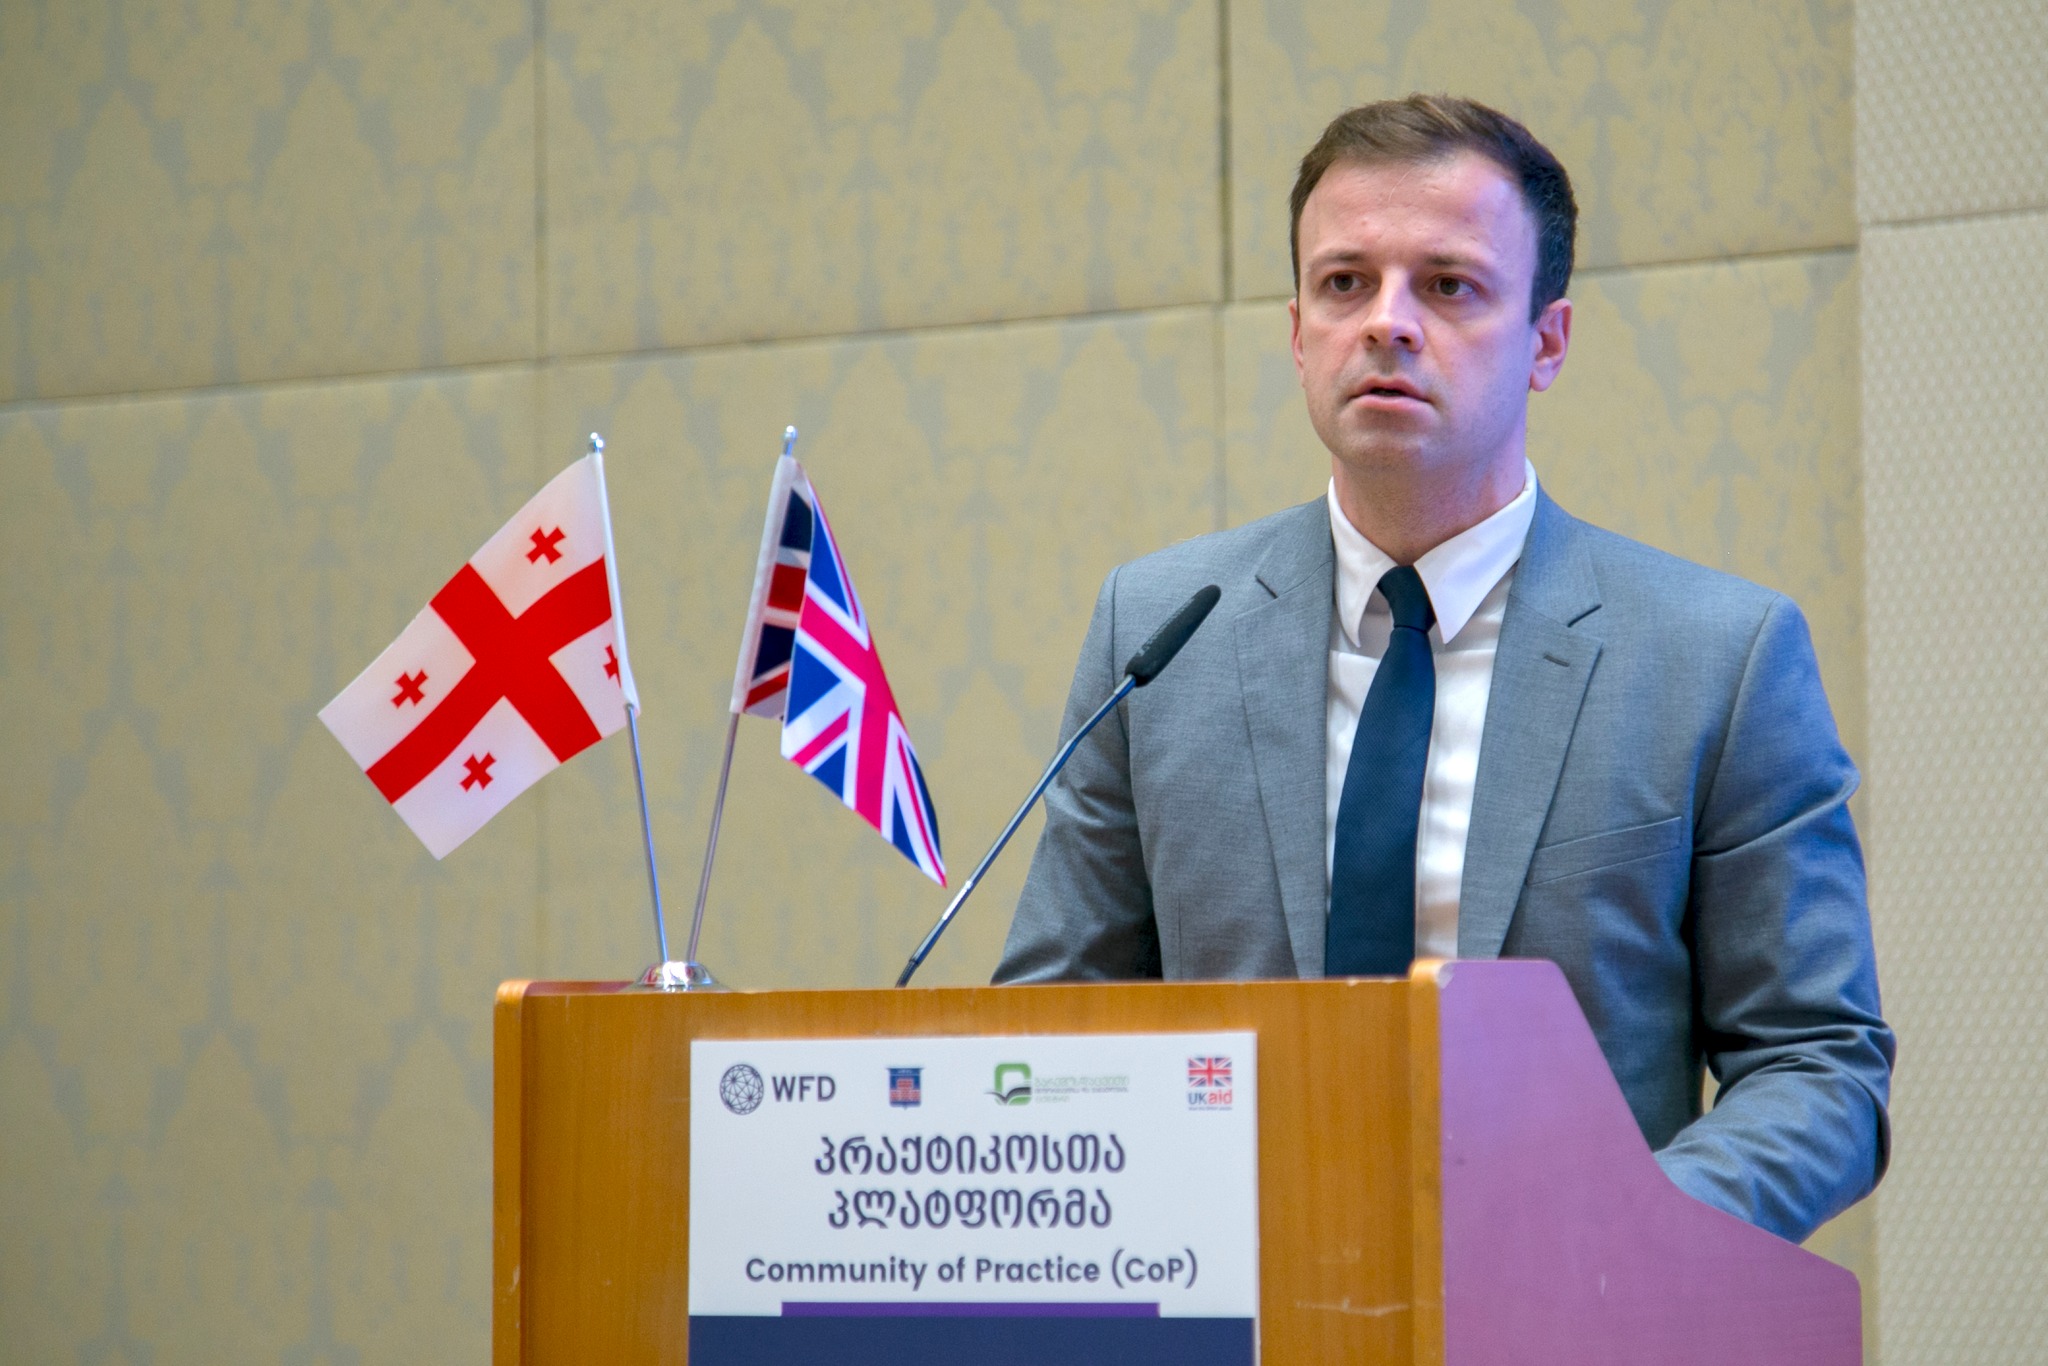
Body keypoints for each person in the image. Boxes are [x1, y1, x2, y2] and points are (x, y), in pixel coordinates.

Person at [993, 95, 1893, 1245]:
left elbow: (1816, 1062)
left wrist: (1630, 1233)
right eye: (1344, 283)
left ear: (1546, 342)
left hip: (1574, 1303)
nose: (1387, 323)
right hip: (1225, 1293)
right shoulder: (1161, 632)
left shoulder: (1716, 656)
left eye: (1448, 285)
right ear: (1297, 333)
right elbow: (1048, 1026)